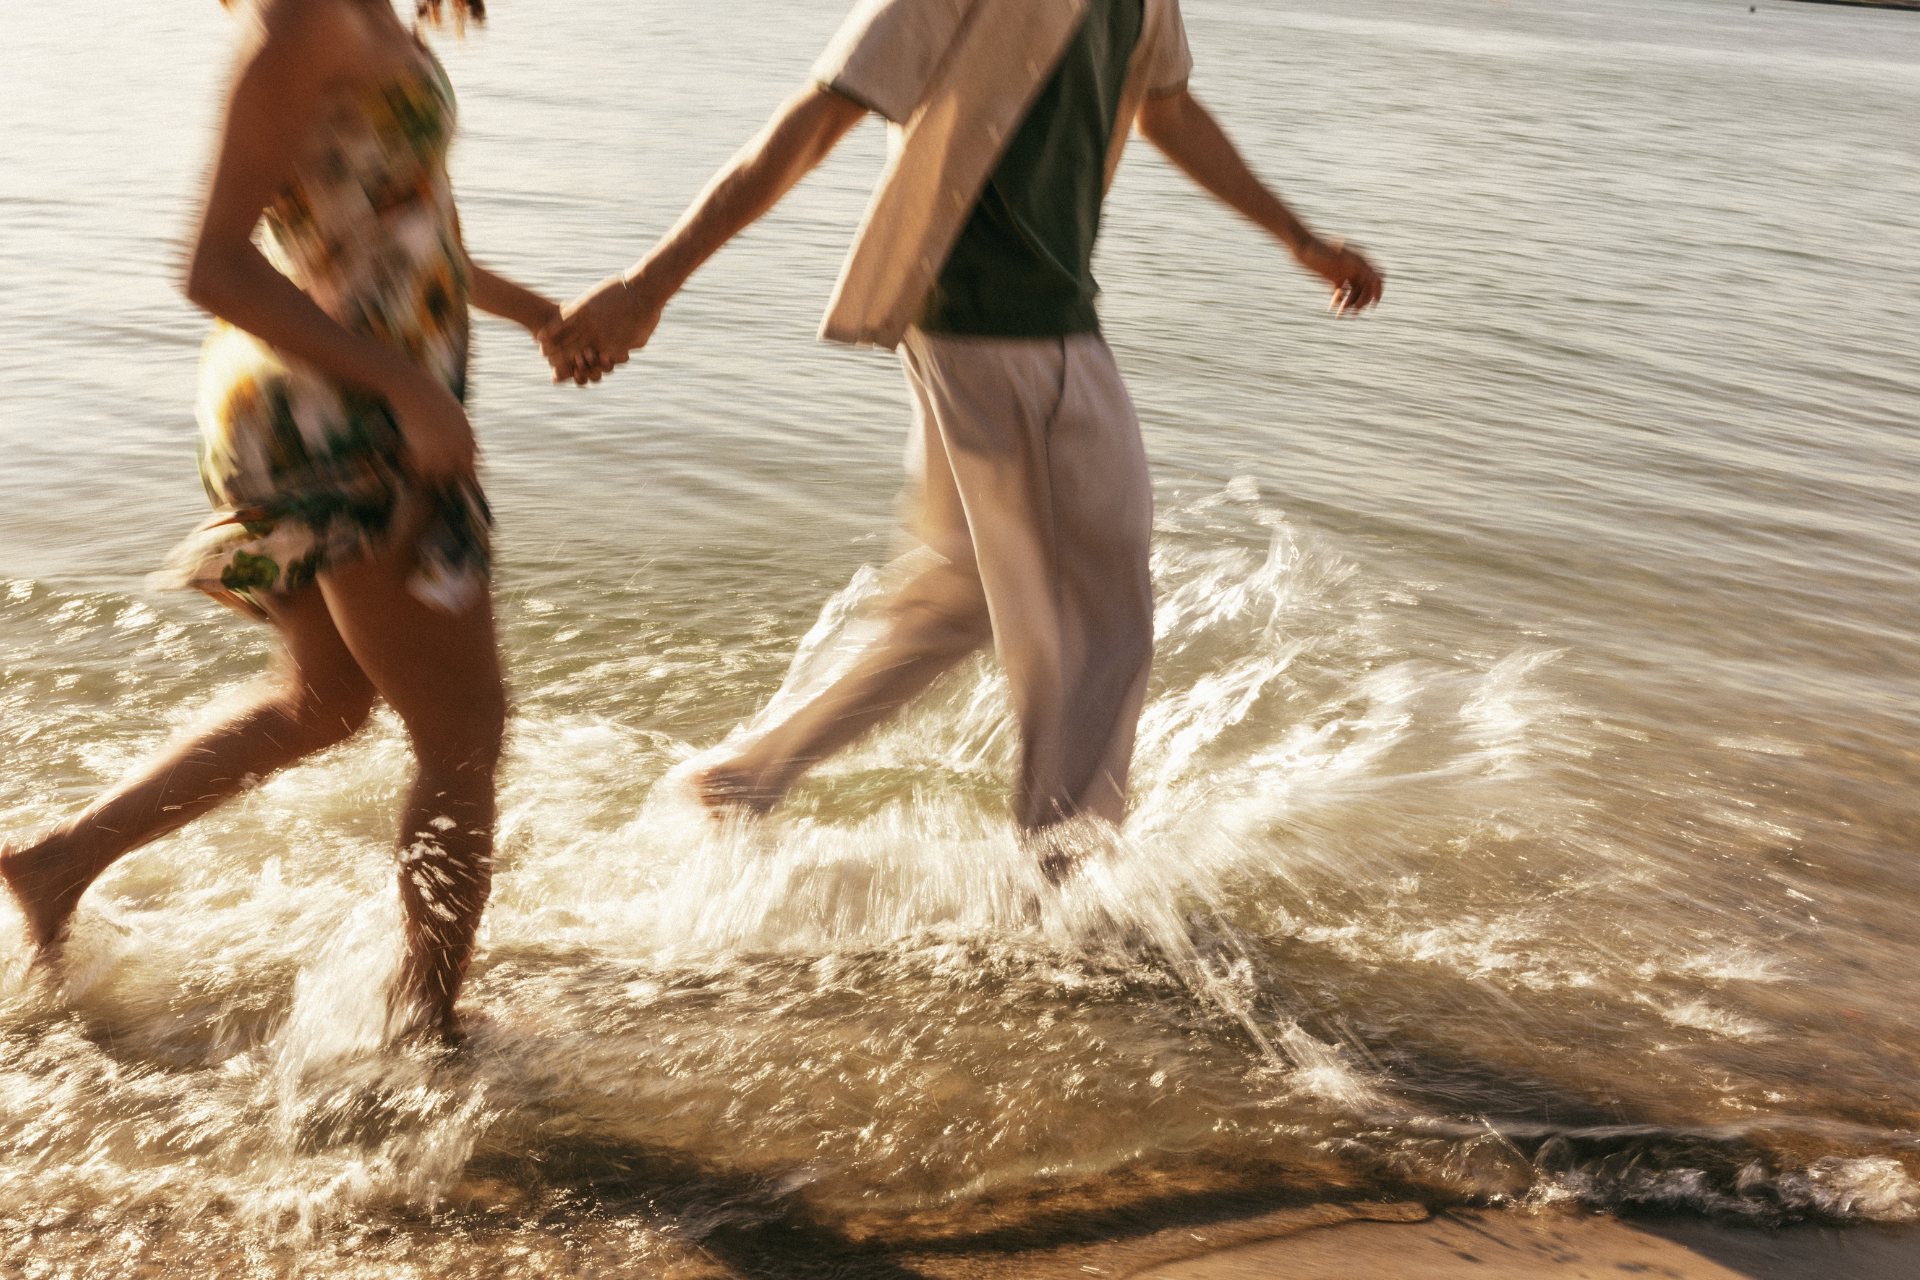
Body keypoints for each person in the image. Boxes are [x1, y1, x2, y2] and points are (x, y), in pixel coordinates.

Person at [541, 0, 1382, 869]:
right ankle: (1066, 881)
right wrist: (648, 286)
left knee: (963, 596)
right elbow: (820, 112)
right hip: (1002, 325)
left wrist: (1299, 239)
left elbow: (1163, 104)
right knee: (1104, 611)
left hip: (1015, 323)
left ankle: (743, 783)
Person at [0, 0, 557, 1037]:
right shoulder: (302, 29)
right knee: (466, 730)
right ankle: (426, 1030)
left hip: (351, 398)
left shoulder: (366, 18)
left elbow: (403, 219)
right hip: (333, 416)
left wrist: (535, 313)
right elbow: (212, 263)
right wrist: (406, 389)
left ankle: (59, 860)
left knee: (324, 699)